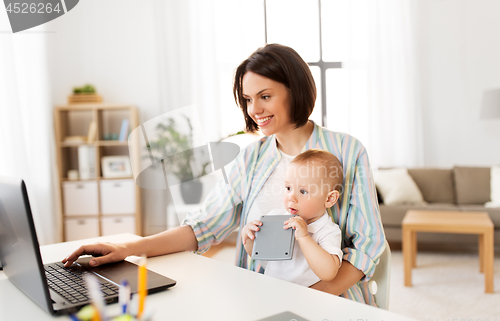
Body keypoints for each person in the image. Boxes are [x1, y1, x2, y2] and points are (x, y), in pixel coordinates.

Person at [63, 43, 385, 306]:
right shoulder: (252, 158)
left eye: (265, 96)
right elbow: (203, 227)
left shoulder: (347, 151)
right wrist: (129, 248)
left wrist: (304, 302)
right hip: (263, 298)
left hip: (328, 303)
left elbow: (368, 246)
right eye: (247, 99)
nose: (254, 110)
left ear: (294, 90)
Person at [242, 149, 343, 287]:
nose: (291, 197)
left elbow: (328, 273)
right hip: (270, 290)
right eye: (288, 188)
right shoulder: (276, 218)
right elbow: (258, 255)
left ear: (330, 198)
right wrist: (249, 237)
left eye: (303, 191)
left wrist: (304, 237)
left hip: (304, 299)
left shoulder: (328, 231)